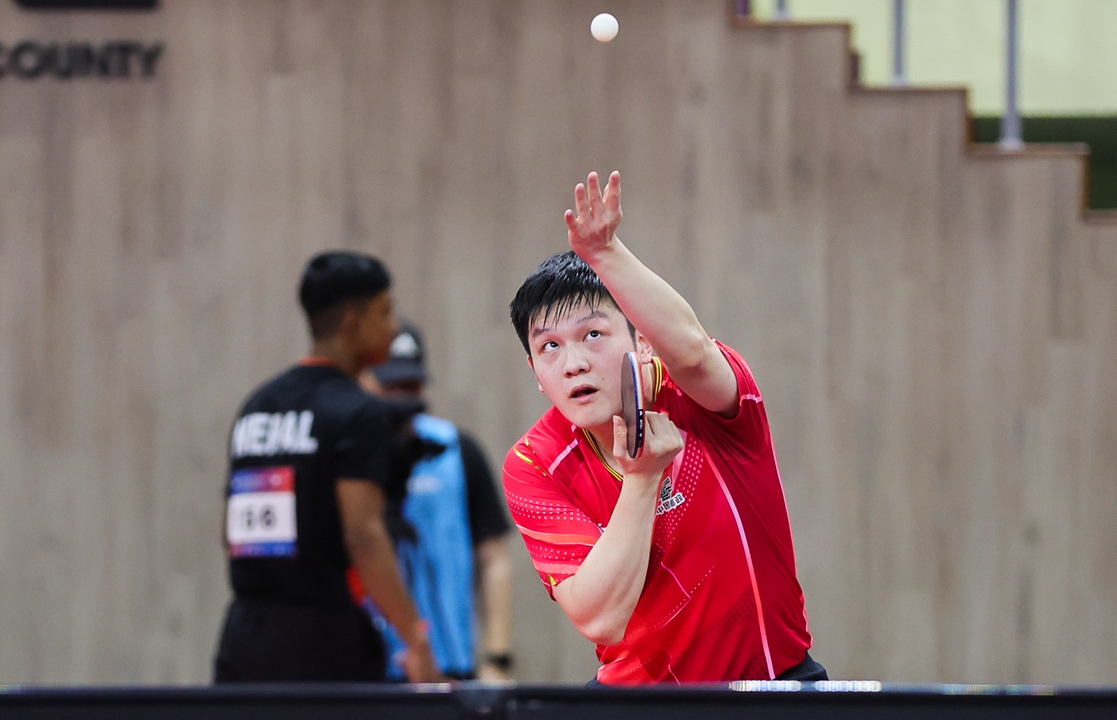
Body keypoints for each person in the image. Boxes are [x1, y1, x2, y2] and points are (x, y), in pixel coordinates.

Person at [503, 172, 826, 685]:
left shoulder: (701, 400)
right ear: (536, 375)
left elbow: (695, 351)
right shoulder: (535, 462)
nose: (574, 364)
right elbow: (601, 618)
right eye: (550, 347)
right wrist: (642, 478)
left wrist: (603, 252)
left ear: (644, 342)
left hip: (771, 688)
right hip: (638, 702)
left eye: (593, 334)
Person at [214, 251, 443, 683]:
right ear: (353, 323)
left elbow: (231, 532)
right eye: (385, 312)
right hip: (323, 647)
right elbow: (364, 535)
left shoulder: (256, 407)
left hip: (242, 642)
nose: (394, 329)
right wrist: (415, 639)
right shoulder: (359, 413)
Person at [354, 321, 515, 681]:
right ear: (363, 381)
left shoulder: (457, 450)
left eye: (410, 385)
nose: (401, 397)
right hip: (364, 670)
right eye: (389, 385)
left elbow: (494, 559)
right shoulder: (349, 460)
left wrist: (497, 658)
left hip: (450, 668)